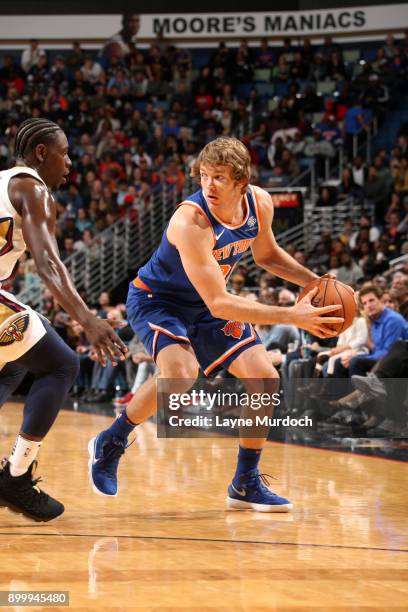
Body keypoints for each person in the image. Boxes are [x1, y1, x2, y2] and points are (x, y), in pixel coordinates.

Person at [89, 137, 344, 512]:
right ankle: (111, 440)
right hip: (160, 301)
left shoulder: (259, 203)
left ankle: (244, 482)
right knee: (180, 372)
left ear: (242, 181)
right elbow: (221, 302)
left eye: (219, 177)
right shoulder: (190, 220)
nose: (208, 185)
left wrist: (314, 283)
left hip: (207, 304)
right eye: (204, 176)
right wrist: (293, 315)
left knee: (265, 379)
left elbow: (267, 255)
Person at [0, 118, 127, 521]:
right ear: (42, 153)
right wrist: (87, 318)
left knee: (10, 368)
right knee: (61, 364)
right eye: (65, 153)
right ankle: (15, 477)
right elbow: (48, 262)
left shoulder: (2, 181)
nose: (70, 164)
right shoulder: (32, 188)